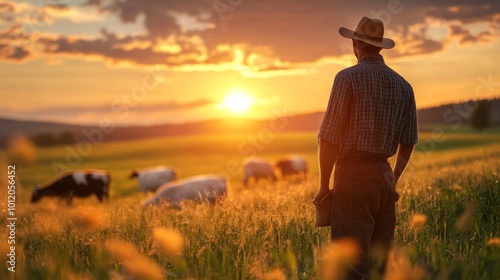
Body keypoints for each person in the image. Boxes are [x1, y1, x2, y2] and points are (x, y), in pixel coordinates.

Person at [313, 17, 418, 279]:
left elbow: (328, 139)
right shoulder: (404, 85)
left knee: (351, 266)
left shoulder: (346, 78)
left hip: (352, 175)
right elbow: (408, 142)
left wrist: (324, 186)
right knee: (379, 265)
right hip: (384, 176)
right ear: (380, 47)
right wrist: (393, 178)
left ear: (355, 43)